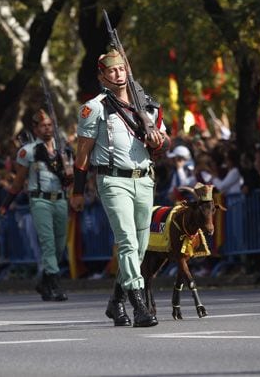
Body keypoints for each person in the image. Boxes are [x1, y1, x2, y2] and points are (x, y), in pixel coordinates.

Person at [70, 47, 169, 328]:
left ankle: (115, 302)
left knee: (140, 246)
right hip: (113, 180)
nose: (118, 74)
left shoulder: (149, 105)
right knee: (126, 241)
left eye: (121, 69)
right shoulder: (95, 107)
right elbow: (82, 154)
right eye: (111, 70)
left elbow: (167, 142)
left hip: (144, 178)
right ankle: (139, 306)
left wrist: (157, 140)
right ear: (102, 76)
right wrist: (77, 190)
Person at [0, 110, 72, 301]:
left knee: (60, 245)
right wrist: (6, 204)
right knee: (48, 244)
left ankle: (44, 283)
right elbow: (18, 181)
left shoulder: (63, 149)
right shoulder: (28, 151)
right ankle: (56, 286)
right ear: (35, 128)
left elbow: (70, 177)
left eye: (49, 125)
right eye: (43, 126)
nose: (47, 129)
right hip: (40, 200)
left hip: (61, 199)